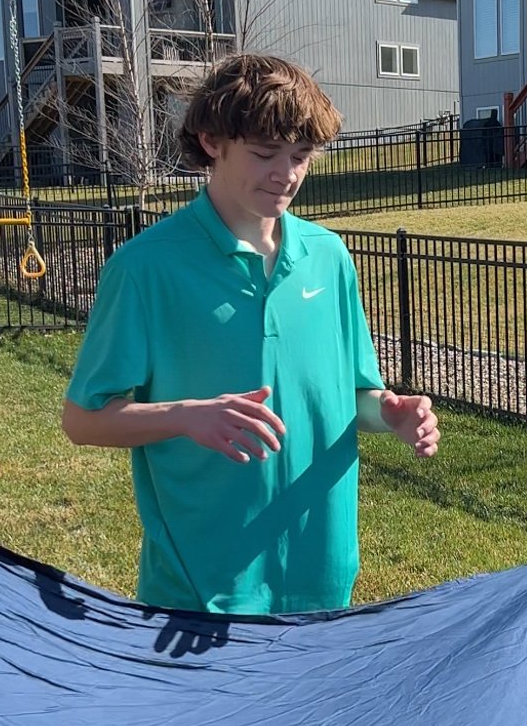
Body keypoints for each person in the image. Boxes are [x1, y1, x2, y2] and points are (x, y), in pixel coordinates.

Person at [62, 54, 439, 615]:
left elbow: (352, 396)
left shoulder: (329, 258)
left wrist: (391, 413)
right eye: (265, 154)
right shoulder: (145, 269)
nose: (285, 173)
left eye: (301, 156)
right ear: (212, 141)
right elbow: (82, 420)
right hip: (198, 586)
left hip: (323, 573)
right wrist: (187, 415)